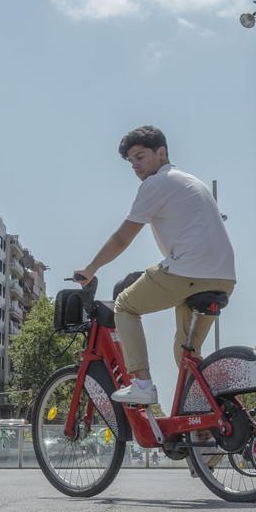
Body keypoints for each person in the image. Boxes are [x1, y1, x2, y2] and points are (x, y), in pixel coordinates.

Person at [74, 126, 235, 406]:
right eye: (131, 162)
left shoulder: (155, 184)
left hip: (188, 272)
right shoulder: (191, 181)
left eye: (140, 157)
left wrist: (91, 269)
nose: (136, 166)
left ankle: (142, 384)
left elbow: (122, 237)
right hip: (222, 277)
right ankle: (205, 418)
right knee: (187, 354)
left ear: (161, 153)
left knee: (125, 305)